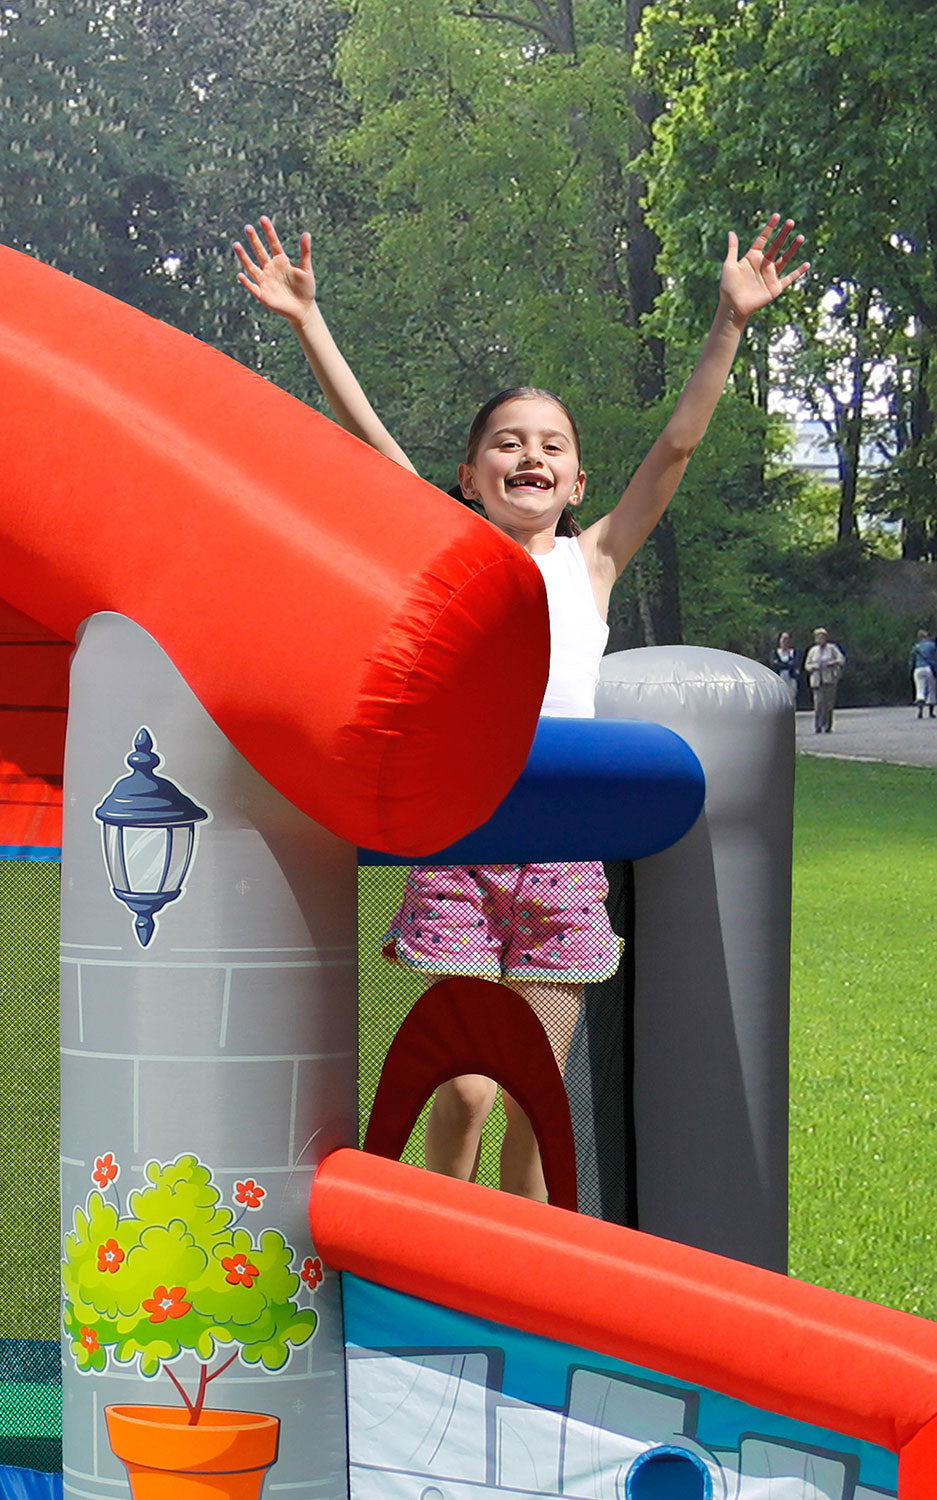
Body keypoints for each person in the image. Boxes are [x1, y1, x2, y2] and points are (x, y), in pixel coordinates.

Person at [234, 211, 808, 1200]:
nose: (528, 456)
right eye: (505, 444)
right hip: (462, 844)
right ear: (469, 477)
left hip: (562, 860)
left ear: (578, 479)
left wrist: (729, 321)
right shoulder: (450, 558)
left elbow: (675, 448)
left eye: (550, 445)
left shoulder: (592, 563)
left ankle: (518, 1269)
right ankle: (436, 1243)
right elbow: (373, 448)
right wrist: (307, 321)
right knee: (463, 1086)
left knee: (534, 1090)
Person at [804, 627, 845, 733]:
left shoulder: (832, 648)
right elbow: (807, 665)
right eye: (818, 637)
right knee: (818, 704)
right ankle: (818, 725)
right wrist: (813, 667)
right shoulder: (813, 650)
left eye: (822, 637)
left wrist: (832, 663)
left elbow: (841, 660)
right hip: (817, 680)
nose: (820, 639)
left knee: (829, 704)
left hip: (829, 679)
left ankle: (827, 725)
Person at [909, 629, 937, 719]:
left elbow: (911, 661)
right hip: (929, 668)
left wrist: (911, 670)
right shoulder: (932, 645)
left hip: (918, 669)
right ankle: (931, 712)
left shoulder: (916, 647)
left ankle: (920, 711)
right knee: (931, 690)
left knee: (920, 690)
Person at [769, 630, 800, 704]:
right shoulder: (775, 652)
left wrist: (781, 664)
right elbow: (774, 664)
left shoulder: (794, 652)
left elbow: (795, 663)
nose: (785, 642)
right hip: (778, 678)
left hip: (791, 678)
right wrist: (787, 664)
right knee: (779, 698)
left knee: (791, 697)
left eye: (787, 639)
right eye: (783, 639)